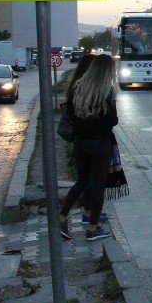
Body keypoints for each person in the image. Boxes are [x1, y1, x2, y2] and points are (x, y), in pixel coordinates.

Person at [58, 54, 118, 241]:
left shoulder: (78, 87)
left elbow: (72, 115)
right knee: (98, 185)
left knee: (81, 181)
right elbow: (112, 120)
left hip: (80, 143)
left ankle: (61, 217)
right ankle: (93, 227)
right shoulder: (107, 91)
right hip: (100, 143)